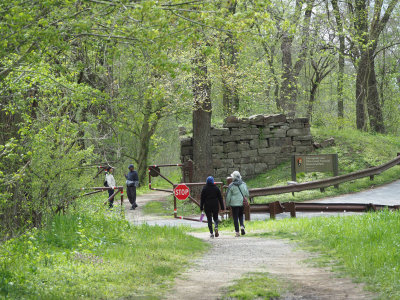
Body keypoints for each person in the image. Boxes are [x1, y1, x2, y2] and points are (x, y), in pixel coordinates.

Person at [226, 171, 249, 237]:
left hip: (234, 204)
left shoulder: (231, 185)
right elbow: (247, 193)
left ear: (233, 177)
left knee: (235, 217)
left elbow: (228, 196)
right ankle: (242, 226)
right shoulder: (243, 184)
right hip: (241, 202)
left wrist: (227, 204)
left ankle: (237, 232)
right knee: (241, 215)